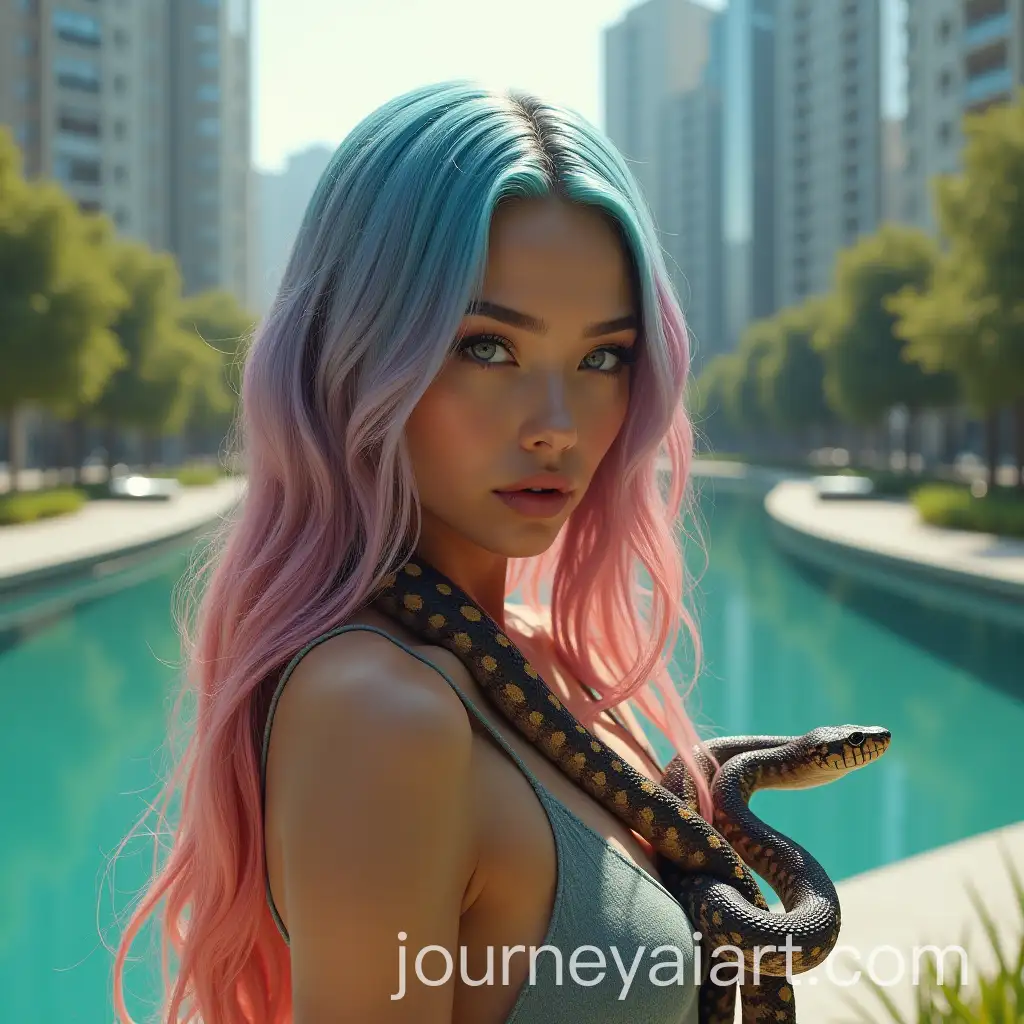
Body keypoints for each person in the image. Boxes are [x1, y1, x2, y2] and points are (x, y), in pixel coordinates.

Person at [111, 80, 716, 1024]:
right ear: (354, 352)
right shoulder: (380, 711)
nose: (557, 427)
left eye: (603, 358)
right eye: (485, 346)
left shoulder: (526, 656)